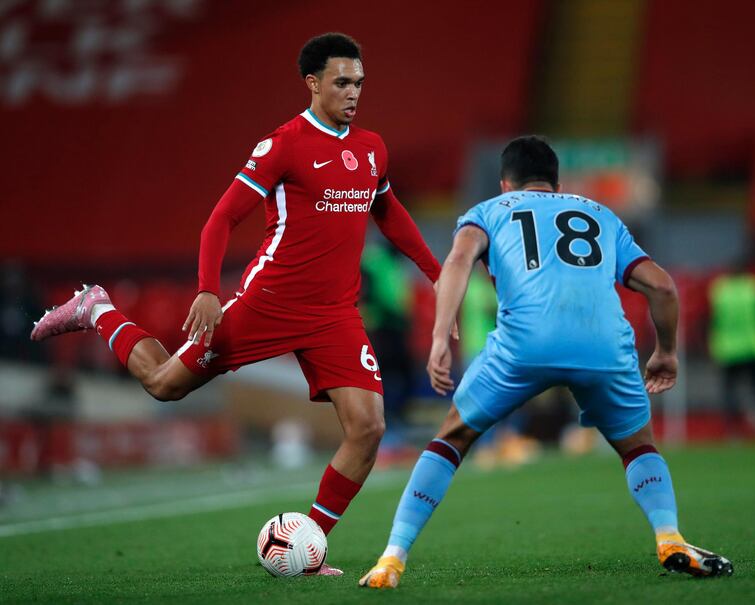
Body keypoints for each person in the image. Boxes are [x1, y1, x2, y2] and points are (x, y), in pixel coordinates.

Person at [30, 32, 444, 576]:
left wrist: (440, 274)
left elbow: (390, 214)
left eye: (359, 83)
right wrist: (206, 288)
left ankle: (309, 547)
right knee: (164, 385)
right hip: (267, 303)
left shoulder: (372, 148)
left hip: (334, 314)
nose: (353, 93)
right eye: (342, 82)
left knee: (368, 428)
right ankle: (98, 309)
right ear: (313, 83)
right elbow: (221, 218)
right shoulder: (283, 145)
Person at [359, 135, 733, 589]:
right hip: (605, 347)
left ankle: (391, 559)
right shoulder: (603, 215)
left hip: (524, 345)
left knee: (452, 437)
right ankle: (670, 536)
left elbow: (457, 259)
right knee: (638, 447)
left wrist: (440, 335)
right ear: (556, 183)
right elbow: (664, 288)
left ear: (505, 183)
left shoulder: (489, 212)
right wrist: (667, 352)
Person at [708, 265, 755, 434]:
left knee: (730, 390)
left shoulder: (721, 289)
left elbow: (711, 318)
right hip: (753, 345)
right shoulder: (753, 287)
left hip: (728, 347)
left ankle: (732, 429)